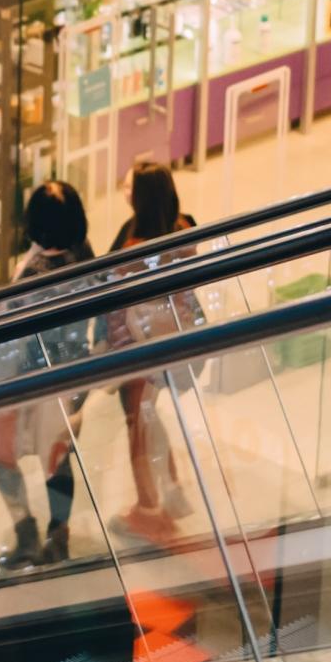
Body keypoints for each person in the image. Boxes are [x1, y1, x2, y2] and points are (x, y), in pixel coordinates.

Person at [0, 179, 97, 573]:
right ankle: (57, 536)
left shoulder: (36, 276)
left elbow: (17, 338)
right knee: (58, 462)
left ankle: (26, 530)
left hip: (32, 383)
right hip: (73, 378)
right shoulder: (84, 253)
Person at [104, 161, 199, 543]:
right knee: (150, 418)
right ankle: (172, 490)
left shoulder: (134, 251)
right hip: (174, 341)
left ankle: (149, 509)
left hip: (138, 348)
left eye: (129, 187)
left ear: (140, 199)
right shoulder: (184, 228)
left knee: (137, 425)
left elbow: (111, 294)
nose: (123, 190)